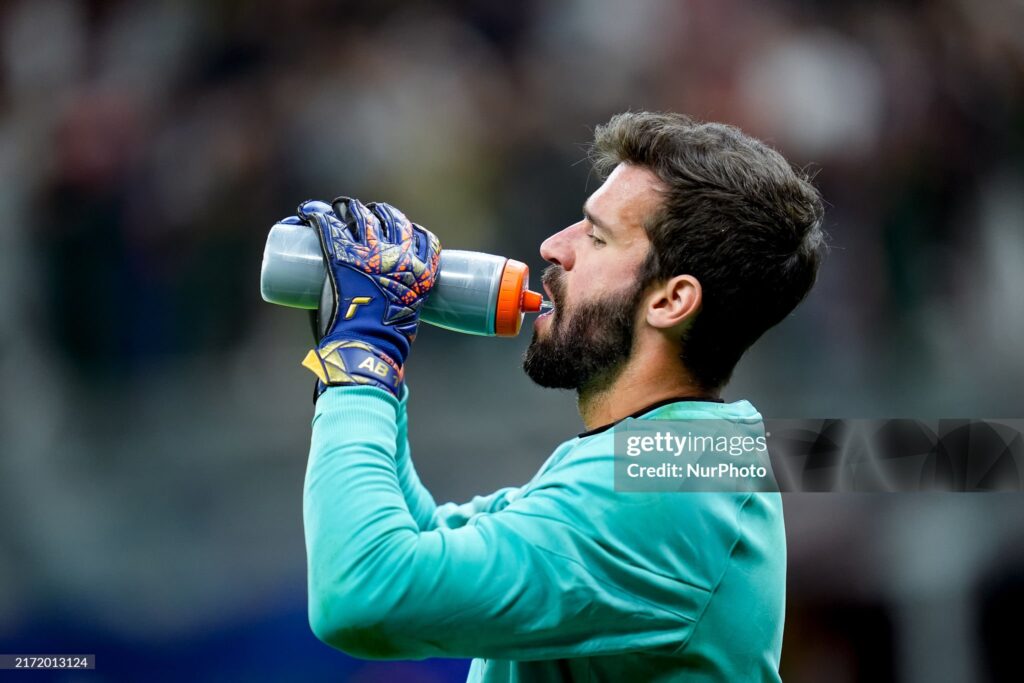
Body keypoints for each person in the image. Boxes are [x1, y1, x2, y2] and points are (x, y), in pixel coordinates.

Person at [292, 111, 825, 681]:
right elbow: (426, 538)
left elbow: (361, 592)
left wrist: (361, 361)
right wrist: (370, 363)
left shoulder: (670, 487)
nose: (553, 247)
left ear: (671, 302)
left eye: (597, 236)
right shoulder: (679, 458)